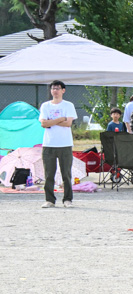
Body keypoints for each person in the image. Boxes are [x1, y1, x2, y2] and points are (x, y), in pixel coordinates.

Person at [39, 79, 76, 208]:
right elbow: (44, 123)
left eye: (57, 88)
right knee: (49, 174)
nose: (55, 91)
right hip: (49, 144)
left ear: (63, 90)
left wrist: (52, 121)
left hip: (65, 144)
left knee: (66, 174)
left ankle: (67, 199)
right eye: (53, 88)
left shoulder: (68, 105)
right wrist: (60, 119)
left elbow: (68, 123)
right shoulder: (45, 106)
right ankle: (50, 199)